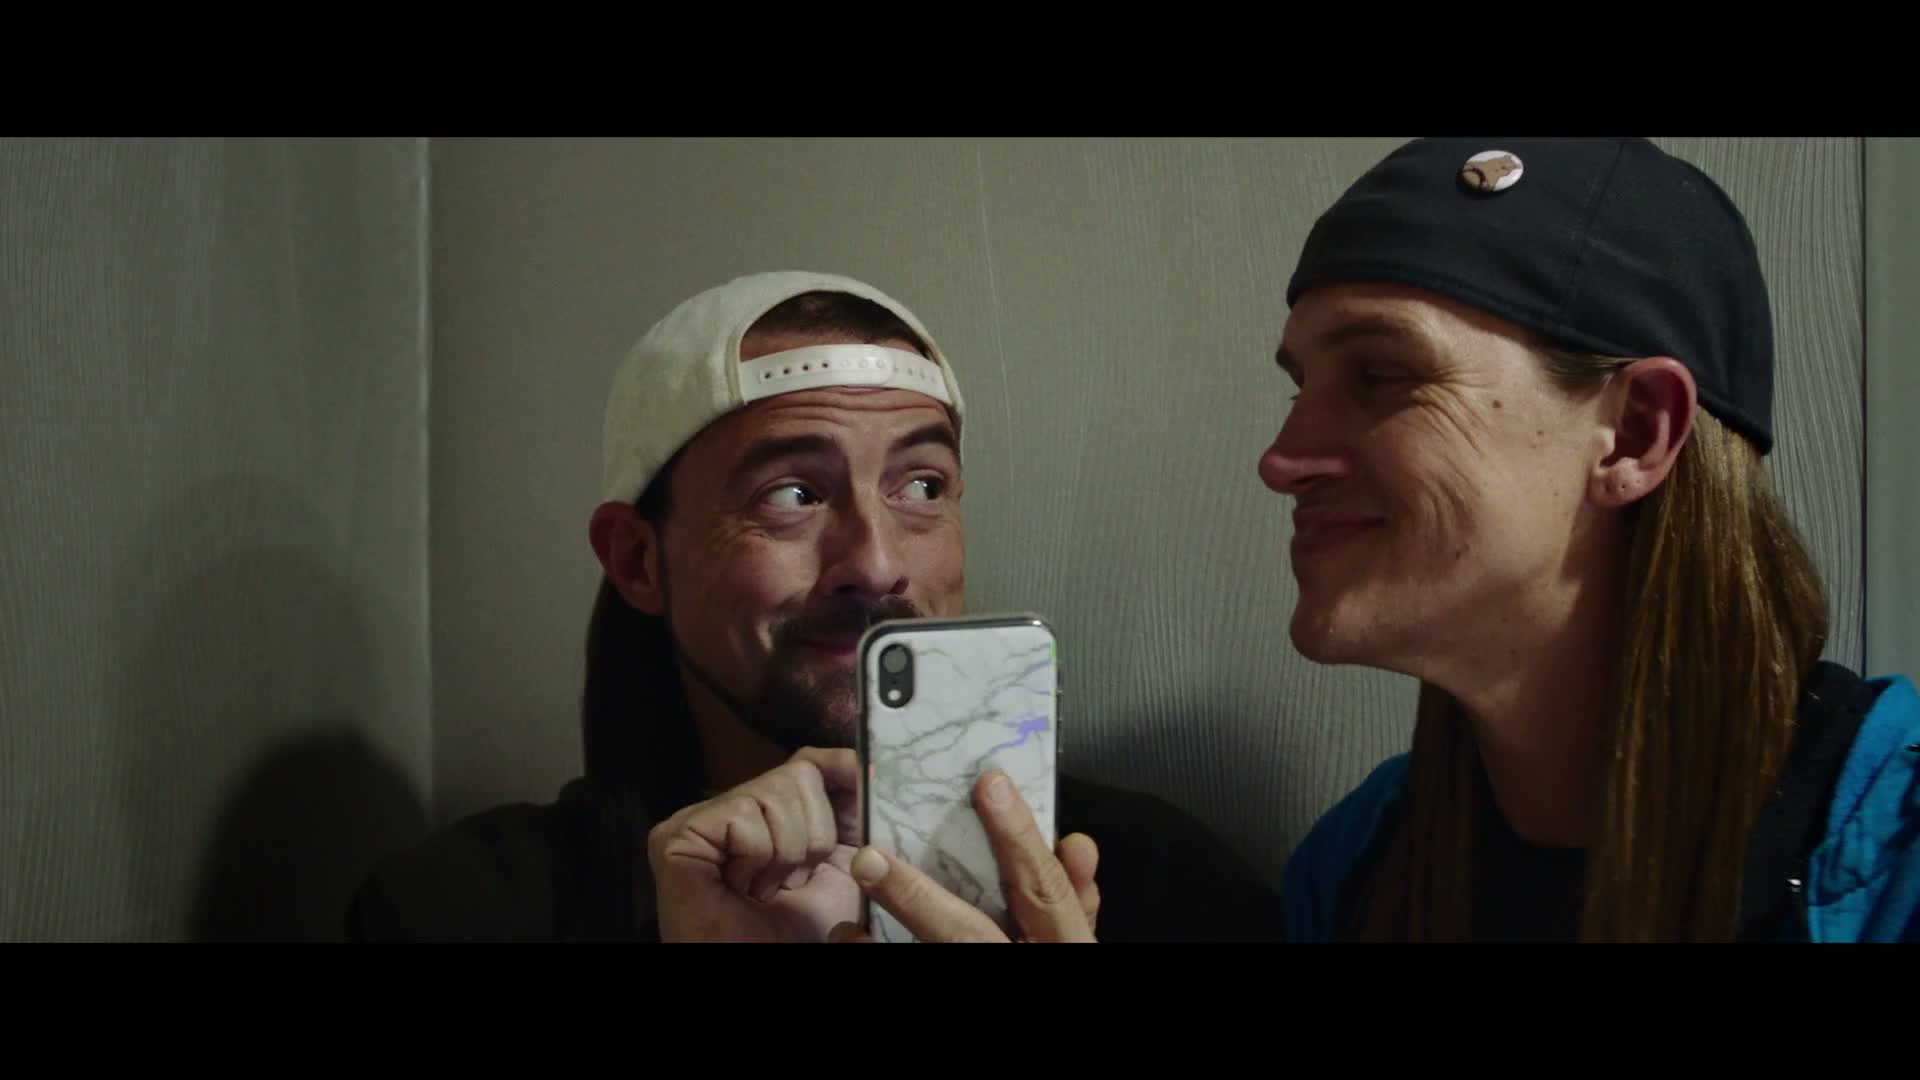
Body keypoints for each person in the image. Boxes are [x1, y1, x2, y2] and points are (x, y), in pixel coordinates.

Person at [346, 269, 1284, 942]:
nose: (875, 564)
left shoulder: (1157, 883)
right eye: (791, 494)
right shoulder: (460, 910)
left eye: (922, 487)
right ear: (637, 560)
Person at [1255, 137, 1920, 942]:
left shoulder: (1897, 866)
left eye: (1379, 374)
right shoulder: (1359, 863)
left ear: (1636, 433)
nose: (1281, 460)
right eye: (1301, 386)